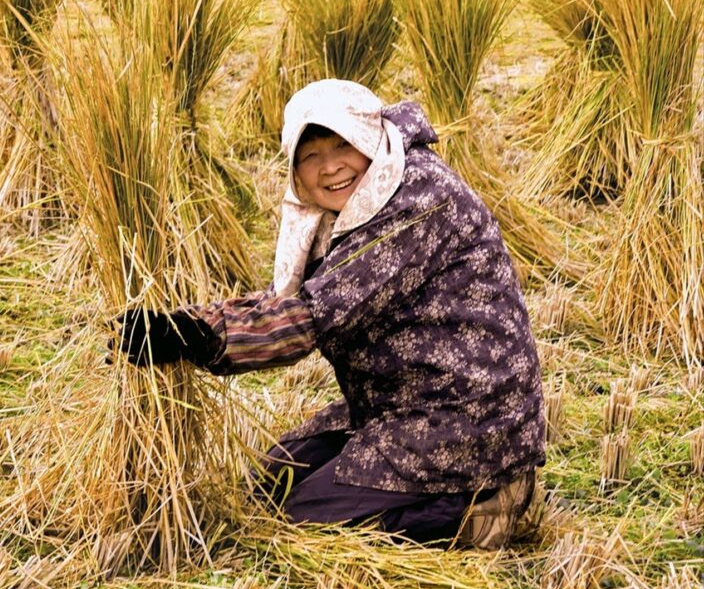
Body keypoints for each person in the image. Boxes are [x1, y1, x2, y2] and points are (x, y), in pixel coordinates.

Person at [115, 79, 545, 549]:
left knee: (303, 522)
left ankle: (487, 504)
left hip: (468, 418)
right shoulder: (360, 201)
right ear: (295, 170)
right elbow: (289, 298)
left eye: (343, 145)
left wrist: (198, 340)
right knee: (267, 487)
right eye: (311, 156)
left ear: (369, 138)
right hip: (394, 404)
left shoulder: (414, 199)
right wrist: (185, 322)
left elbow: (313, 317)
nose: (331, 167)